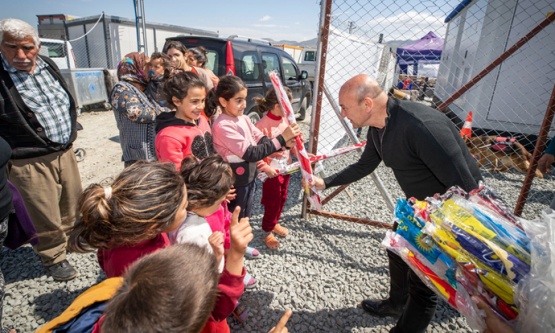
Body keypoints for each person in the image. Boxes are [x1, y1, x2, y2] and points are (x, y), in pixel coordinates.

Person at [310, 74, 483, 333]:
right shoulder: (378, 127)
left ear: (367, 104)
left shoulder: (421, 126)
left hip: (445, 215)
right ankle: (395, 303)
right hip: (417, 208)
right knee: (396, 248)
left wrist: (454, 238)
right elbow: (364, 165)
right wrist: (324, 182)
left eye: (345, 107)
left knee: (423, 287)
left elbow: (467, 189)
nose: (343, 114)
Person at [0, 18, 82, 281]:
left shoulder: (48, 64)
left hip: (63, 150)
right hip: (28, 159)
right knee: (41, 211)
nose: (21, 55)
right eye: (12, 47)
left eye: (28, 48)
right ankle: (53, 256)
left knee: (72, 201)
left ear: (38, 45)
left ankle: (71, 241)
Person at [68, 160, 188, 278]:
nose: (187, 209)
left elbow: (101, 258)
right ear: (153, 226)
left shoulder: (113, 226)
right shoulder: (146, 267)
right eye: (184, 207)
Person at [211, 75, 300, 221]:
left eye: (244, 99)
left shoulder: (244, 119)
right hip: (233, 183)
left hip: (249, 178)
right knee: (233, 217)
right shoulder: (223, 125)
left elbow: (261, 140)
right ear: (223, 101)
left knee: (246, 213)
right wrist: (281, 139)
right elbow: (251, 153)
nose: (244, 104)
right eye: (238, 100)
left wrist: (284, 144)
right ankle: (231, 243)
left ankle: (241, 239)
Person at [253, 88, 297, 249]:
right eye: (287, 107)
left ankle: (274, 223)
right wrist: (264, 167)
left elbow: (292, 145)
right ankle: (266, 232)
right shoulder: (261, 126)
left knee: (283, 198)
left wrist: (301, 154)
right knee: (273, 202)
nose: (290, 111)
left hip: (286, 169)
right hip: (271, 172)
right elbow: (255, 153)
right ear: (277, 106)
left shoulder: (286, 121)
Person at [110, 52, 169, 168]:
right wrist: (166, 112)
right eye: (147, 66)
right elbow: (136, 113)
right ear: (135, 67)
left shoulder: (144, 88)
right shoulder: (121, 88)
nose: (150, 69)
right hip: (137, 156)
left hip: (153, 155)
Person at [155, 71, 214, 168]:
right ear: (177, 101)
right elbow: (175, 174)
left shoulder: (202, 120)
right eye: (194, 101)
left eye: (203, 100)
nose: (201, 106)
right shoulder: (169, 136)